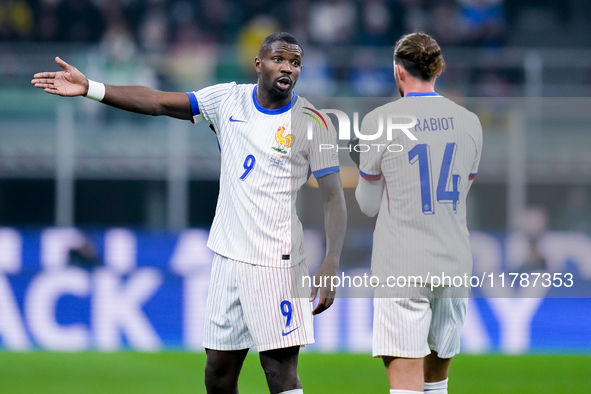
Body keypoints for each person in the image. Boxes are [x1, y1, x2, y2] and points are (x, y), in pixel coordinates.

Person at [32, 32, 347, 394]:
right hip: (228, 256)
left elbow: (334, 199)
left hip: (277, 261)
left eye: (295, 62)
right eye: (279, 59)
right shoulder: (228, 99)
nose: (287, 67)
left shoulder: (314, 122)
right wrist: (92, 88)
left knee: (279, 371)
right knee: (218, 373)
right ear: (258, 64)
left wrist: (331, 261)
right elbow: (158, 102)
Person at [353, 32, 482, 394]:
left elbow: (368, 204)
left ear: (398, 72)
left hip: (403, 265)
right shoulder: (469, 121)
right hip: (454, 261)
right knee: (436, 384)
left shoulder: (381, 121)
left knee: (406, 385)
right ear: (439, 69)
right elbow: (461, 192)